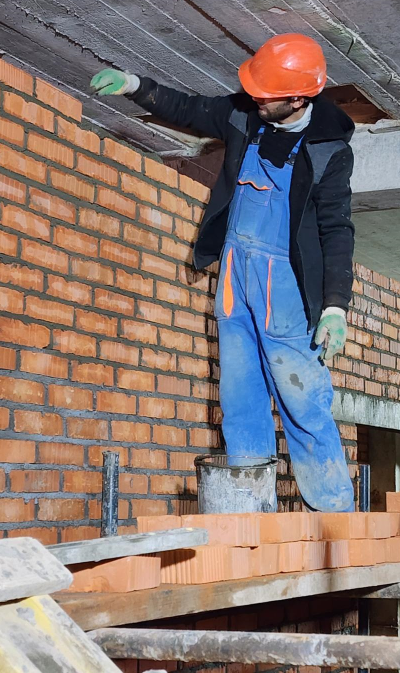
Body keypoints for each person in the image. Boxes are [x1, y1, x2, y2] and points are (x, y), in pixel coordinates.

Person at [90, 34, 356, 512]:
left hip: (284, 290)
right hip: (234, 278)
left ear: (298, 98)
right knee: (239, 399)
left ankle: (337, 516)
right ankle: (250, 515)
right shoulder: (243, 116)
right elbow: (189, 107)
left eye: (266, 94)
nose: (255, 98)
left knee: (302, 402)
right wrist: (135, 85)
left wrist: (335, 305)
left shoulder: (327, 151)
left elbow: (337, 227)